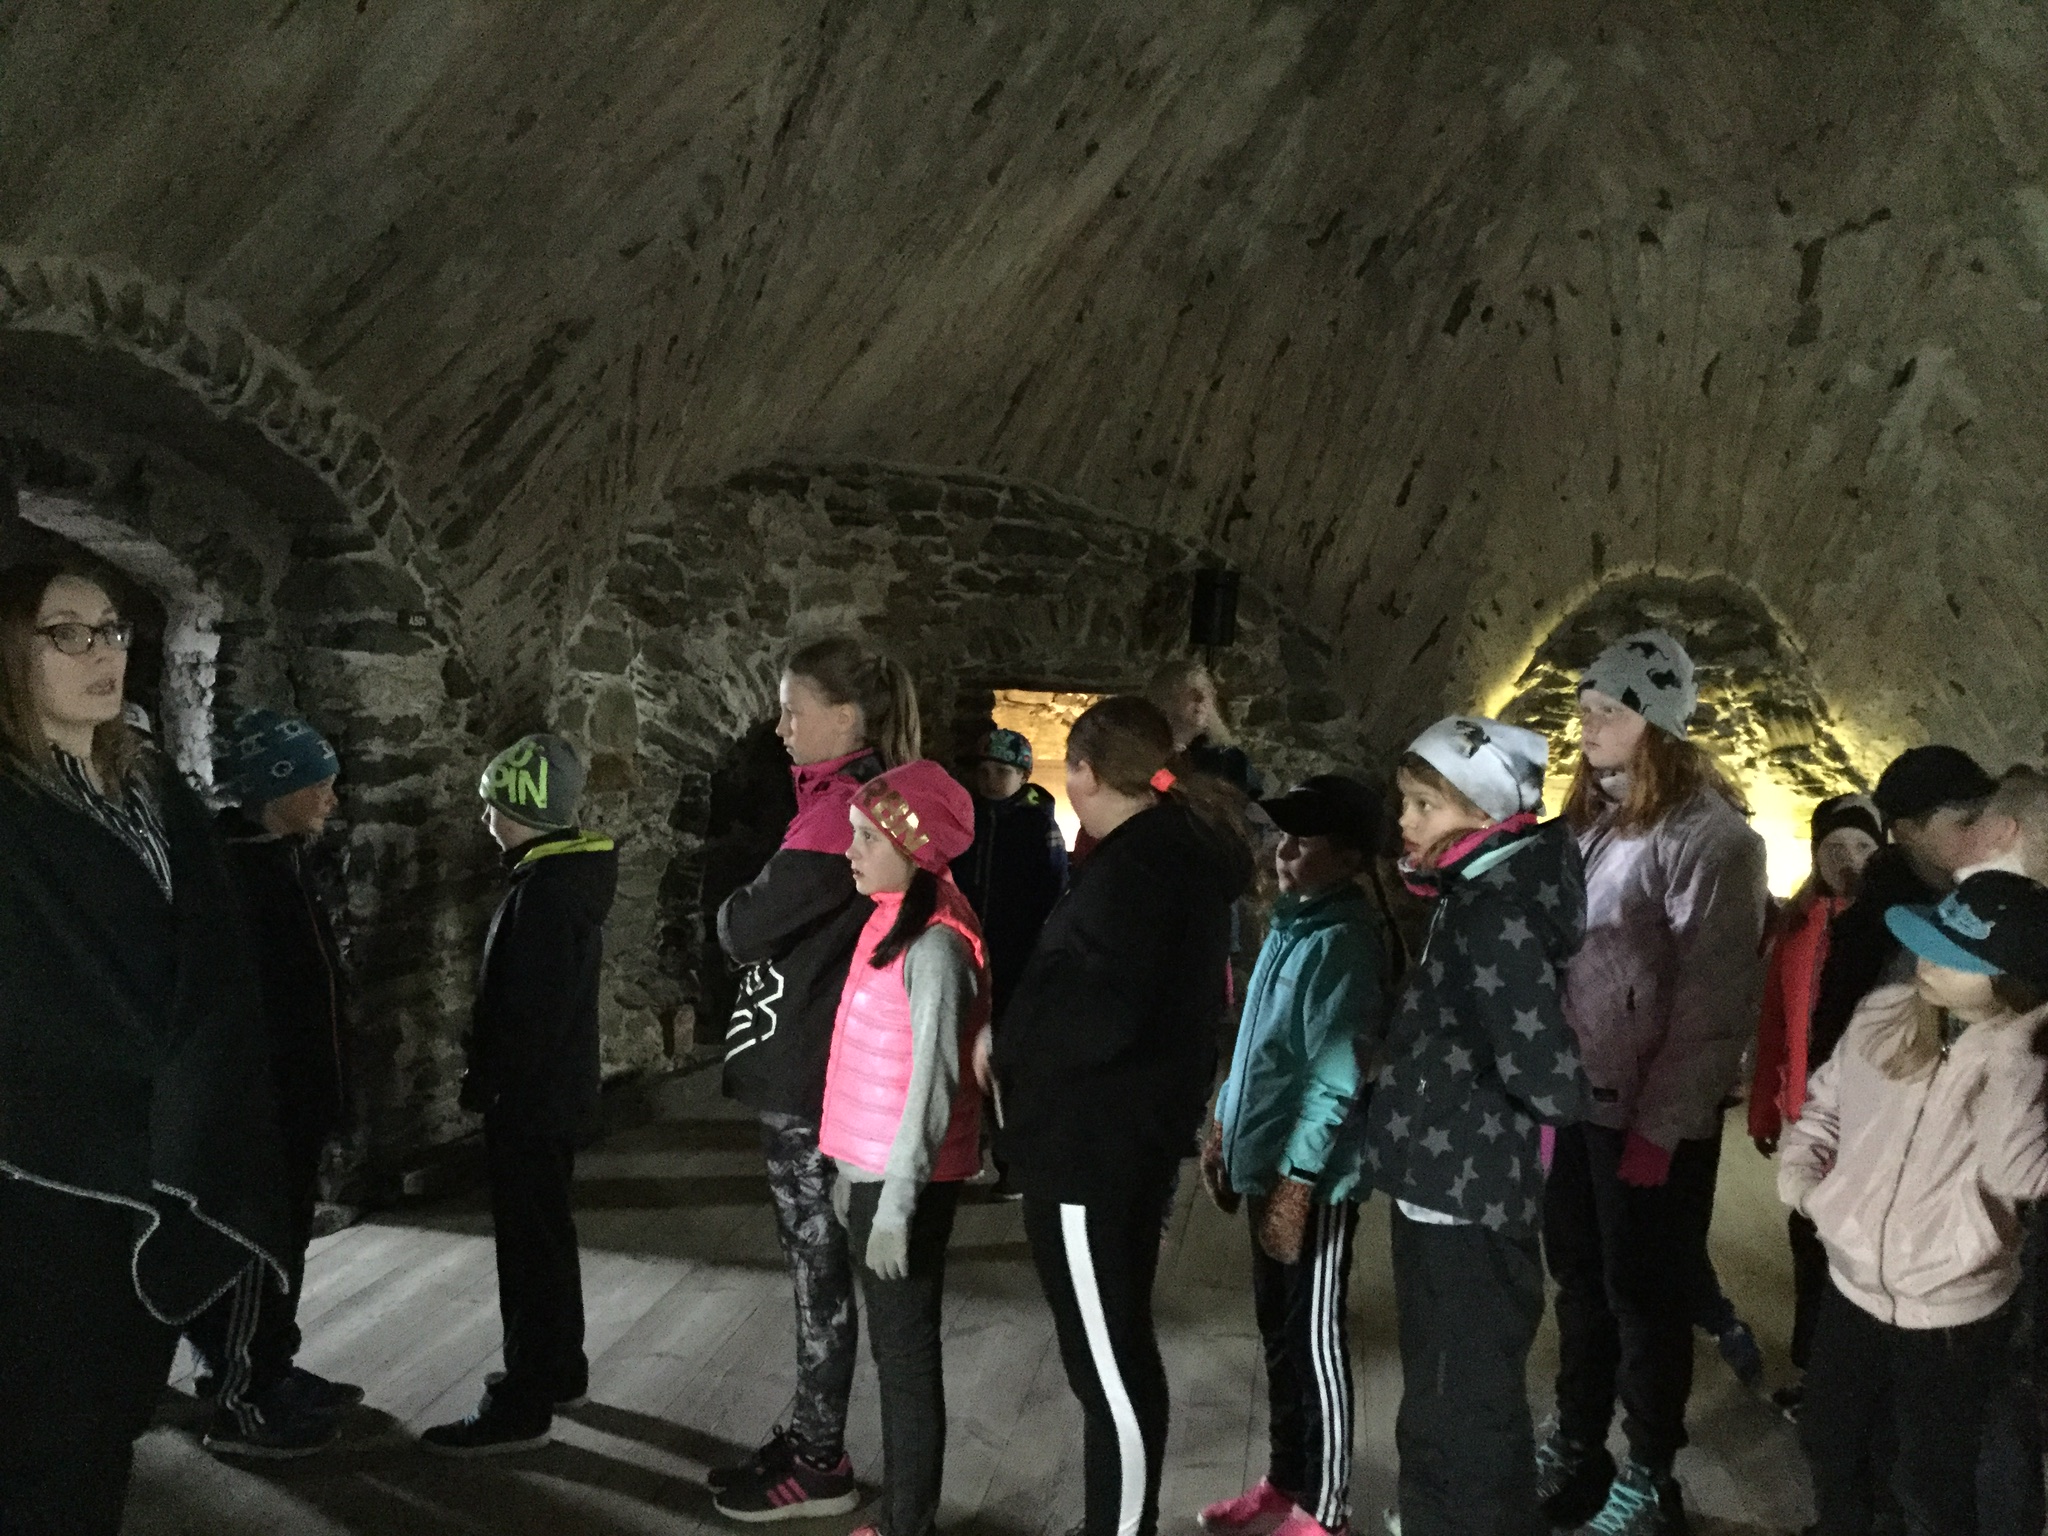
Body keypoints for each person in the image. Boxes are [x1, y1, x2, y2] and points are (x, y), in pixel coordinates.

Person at [0, 561, 289, 1534]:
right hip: (49, 1164)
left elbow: (213, 952)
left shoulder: (152, 786)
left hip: (170, 1138)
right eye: (67, 633)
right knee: (46, 1424)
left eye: (114, 630)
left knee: (117, 1409)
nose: (103, 653)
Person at [990, 695, 1255, 1536]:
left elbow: (1100, 1015)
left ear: (1085, 773)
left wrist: (1011, 1044)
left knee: (1106, 1365)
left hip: (1089, 1146)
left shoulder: (1140, 872)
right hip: (1121, 1136)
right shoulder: (1167, 852)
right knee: (1115, 1349)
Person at [1537, 632, 1770, 1536]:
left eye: (1610, 709)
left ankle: (1649, 1472)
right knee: (1581, 1283)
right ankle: (1579, 1444)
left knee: (1647, 1298)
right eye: (1586, 707)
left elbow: (1713, 1004)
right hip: (1580, 1099)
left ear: (1660, 721)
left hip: (1646, 1119)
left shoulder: (1714, 841)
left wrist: (1662, 1127)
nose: (1589, 724)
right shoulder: (1594, 820)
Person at [1360, 718, 1591, 1536]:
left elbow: (1543, 1069)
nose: (1405, 821)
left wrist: (1447, 1097)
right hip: (1441, 1180)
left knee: (1471, 1396)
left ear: (1485, 812)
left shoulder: (1496, 913)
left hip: (1472, 1191)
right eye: (1405, 803)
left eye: (1424, 805)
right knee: (1439, 1383)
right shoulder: (1467, 897)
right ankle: (1435, 1517)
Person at [712, 637, 920, 1520]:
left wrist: (735, 901)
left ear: (847, 717)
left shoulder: (841, 815)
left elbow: (744, 924)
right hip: (820, 1056)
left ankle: (819, 1458)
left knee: (816, 1265)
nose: (780, 726)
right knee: (816, 1261)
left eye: (794, 709)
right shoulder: (858, 803)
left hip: (812, 1067)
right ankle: (810, 1433)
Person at [1782, 871, 2048, 1536]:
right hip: (1852, 1281)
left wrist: (2017, 1053)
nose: (1926, 961)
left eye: (1955, 957)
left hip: (1954, 1306)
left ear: (2015, 981)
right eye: (1929, 942)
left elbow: (2018, 1173)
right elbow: (1827, 1104)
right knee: (1830, 1438)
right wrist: (1806, 1182)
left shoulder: (2025, 1066)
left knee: (1930, 1476)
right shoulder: (1886, 1014)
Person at [1198, 774, 1395, 1536]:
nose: (1282, 852)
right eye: (1282, 837)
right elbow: (1256, 1047)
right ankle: (1286, 1479)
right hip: (1265, 1165)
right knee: (1278, 1335)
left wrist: (1298, 1181)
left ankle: (1328, 1506)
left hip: (1313, 1180)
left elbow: (1333, 1076)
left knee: (1316, 1341)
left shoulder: (1343, 942)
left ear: (1348, 858)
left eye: (1303, 841)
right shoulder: (1291, 925)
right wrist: (1223, 1127)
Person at [422, 733, 618, 1455]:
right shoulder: (566, 882)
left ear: (524, 810)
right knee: (547, 1236)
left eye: (493, 806)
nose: (485, 819)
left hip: (530, 1103)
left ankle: (525, 1399)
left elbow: (525, 1017)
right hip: (555, 1096)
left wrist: (490, 1083)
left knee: (528, 1251)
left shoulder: (542, 898)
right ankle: (559, 1368)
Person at [185, 708, 363, 1458]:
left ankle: (270, 1366)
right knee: (251, 1251)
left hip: (294, 1100)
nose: (331, 798)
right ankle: (242, 1399)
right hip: (260, 1105)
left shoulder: (279, 860)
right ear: (275, 788)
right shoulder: (234, 877)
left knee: (282, 1246)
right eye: (318, 784)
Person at [821, 762, 987, 1536]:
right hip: (873, 1168)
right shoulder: (892, 921)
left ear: (912, 847)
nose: (849, 851)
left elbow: (931, 1082)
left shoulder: (936, 946)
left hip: (901, 1180)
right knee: (897, 1354)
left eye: (866, 838)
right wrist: (845, 1167)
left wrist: (894, 1203)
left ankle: (907, 1523)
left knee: (906, 1358)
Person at [1747, 793, 1883, 1419]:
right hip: (1807, 1115)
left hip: (1868, 1122)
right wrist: (1764, 1109)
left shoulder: (1889, 926)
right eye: (1834, 847)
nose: (1847, 859)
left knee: (1854, 1253)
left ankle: (1851, 1386)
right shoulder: (1798, 925)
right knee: (1808, 1243)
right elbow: (1775, 1023)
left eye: (1861, 845)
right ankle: (1816, 1373)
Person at [1806, 746, 1999, 1073]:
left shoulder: (1986, 897)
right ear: (1907, 831)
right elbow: (1837, 1045)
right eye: (1966, 823)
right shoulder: (1871, 930)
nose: (1986, 835)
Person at [951, 726, 1068, 1018]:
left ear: (1023, 777)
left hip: (1016, 944)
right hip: (966, 934)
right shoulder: (968, 817)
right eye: (984, 772)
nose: (990, 781)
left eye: (1002, 772)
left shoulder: (1038, 825)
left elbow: (1053, 885)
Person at [1148, 658, 1265, 799]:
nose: (1201, 698)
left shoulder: (1230, 759)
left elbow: (1246, 804)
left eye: (1206, 690)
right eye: (1191, 691)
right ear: (1166, 698)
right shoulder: (1147, 756)